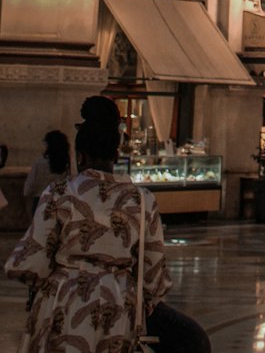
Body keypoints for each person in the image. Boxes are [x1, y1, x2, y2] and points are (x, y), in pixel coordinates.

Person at [5, 95, 211, 353]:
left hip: (63, 304)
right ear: (116, 154)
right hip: (117, 306)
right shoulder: (142, 200)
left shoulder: (58, 194)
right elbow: (154, 274)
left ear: (80, 156)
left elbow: (32, 262)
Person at [23, 129, 71, 215]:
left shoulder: (40, 162)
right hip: (60, 203)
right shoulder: (66, 163)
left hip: (40, 202)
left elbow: (29, 186)